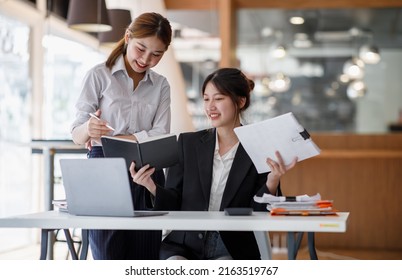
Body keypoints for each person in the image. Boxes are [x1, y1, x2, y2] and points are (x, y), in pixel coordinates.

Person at [129, 67, 297, 260]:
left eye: (218, 99)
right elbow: (174, 202)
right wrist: (151, 186)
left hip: (232, 248)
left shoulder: (258, 147)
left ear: (240, 101)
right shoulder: (187, 143)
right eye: (206, 99)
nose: (210, 107)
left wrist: (272, 181)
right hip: (185, 245)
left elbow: (259, 214)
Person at [70, 12, 172, 260]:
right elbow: (77, 133)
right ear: (128, 37)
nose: (146, 59)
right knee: (108, 256)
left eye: (157, 54)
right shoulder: (99, 75)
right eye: (141, 48)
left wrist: (110, 139)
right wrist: (89, 130)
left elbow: (161, 134)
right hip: (103, 170)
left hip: (146, 171)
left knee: (145, 258)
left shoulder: (161, 85)